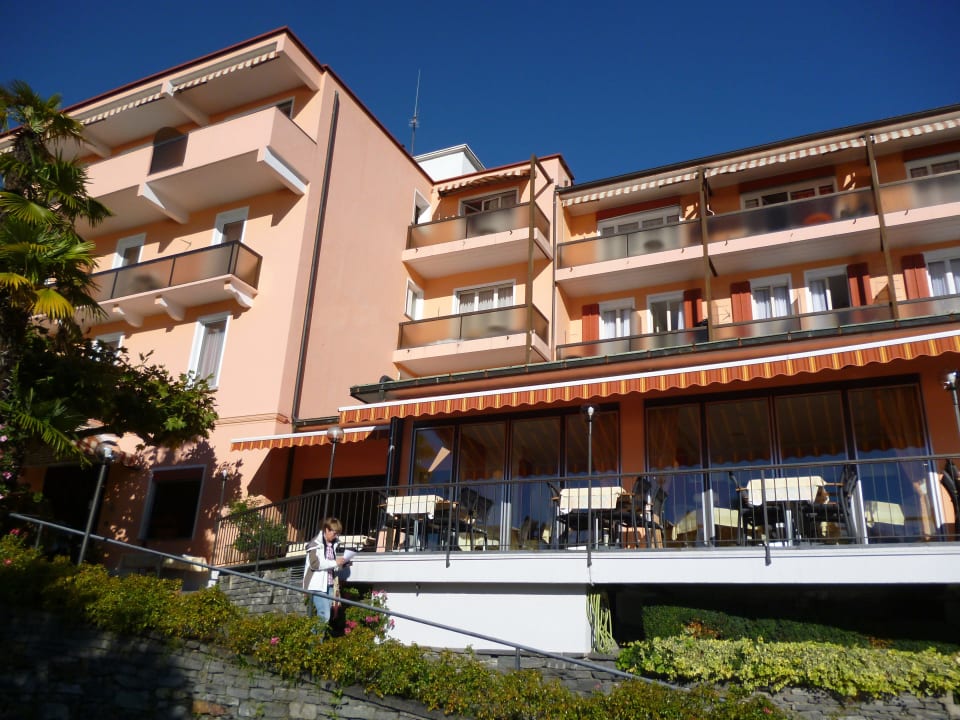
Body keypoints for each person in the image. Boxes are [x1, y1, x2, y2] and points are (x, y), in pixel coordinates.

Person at [303, 517, 349, 624]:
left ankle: (315, 634)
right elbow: (315, 564)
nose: (336, 536)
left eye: (337, 533)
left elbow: (330, 566)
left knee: (324, 616)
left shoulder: (332, 545)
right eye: (334, 533)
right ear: (327, 530)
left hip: (329, 585)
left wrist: (341, 565)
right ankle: (314, 636)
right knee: (324, 615)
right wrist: (335, 562)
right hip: (316, 585)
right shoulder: (315, 543)